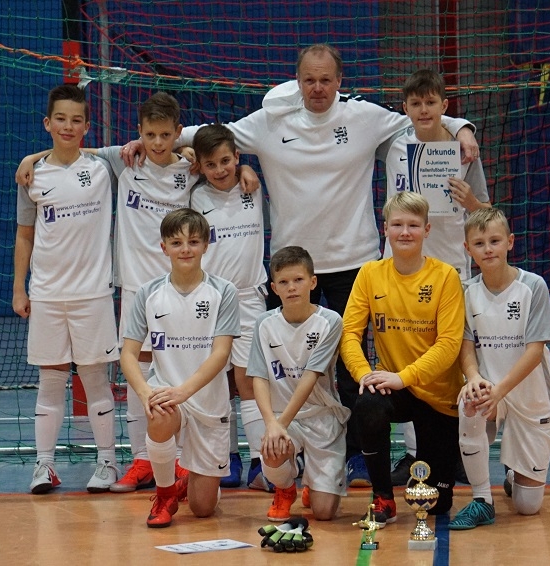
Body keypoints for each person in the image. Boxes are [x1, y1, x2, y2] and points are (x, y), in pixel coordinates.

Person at [122, 44, 479, 486]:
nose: (318, 88)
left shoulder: (364, 117)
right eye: (309, 80)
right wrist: (154, 142)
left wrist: (462, 127)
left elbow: (420, 117)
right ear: (297, 81)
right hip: (291, 268)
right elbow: (213, 135)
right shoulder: (269, 122)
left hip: (353, 263)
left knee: (349, 368)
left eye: (326, 80)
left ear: (339, 82)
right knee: (286, 368)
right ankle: (283, 454)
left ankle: (355, 456)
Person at [14, 95, 258, 493]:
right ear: (139, 133)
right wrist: (31, 157)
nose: (157, 143)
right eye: (150, 135)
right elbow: (76, 149)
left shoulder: (191, 171)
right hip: (134, 286)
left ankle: (181, 461)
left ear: (178, 133)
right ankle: (143, 459)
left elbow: (222, 172)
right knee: (139, 374)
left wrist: (244, 168)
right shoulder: (123, 161)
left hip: (180, 288)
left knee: (182, 371)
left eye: (165, 135)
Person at [381, 69, 491, 486]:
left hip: (451, 270)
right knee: (406, 358)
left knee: (455, 359)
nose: (423, 110)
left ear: (444, 106)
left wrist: (472, 201)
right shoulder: (393, 145)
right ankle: (414, 454)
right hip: (401, 270)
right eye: (416, 103)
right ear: (405, 108)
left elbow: (487, 214)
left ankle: (456, 449)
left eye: (431, 103)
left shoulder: (464, 153)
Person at [13, 84, 121, 494]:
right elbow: (25, 235)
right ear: (47, 122)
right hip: (46, 294)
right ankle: (44, 465)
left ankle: (107, 463)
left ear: (88, 127)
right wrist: (19, 289)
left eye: (77, 120)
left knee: (95, 381)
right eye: (60, 119)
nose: (68, 126)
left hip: (92, 294)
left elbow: (153, 145)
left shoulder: (104, 166)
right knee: (51, 381)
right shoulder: (32, 176)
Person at [340, 191, 465, 525]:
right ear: (385, 229)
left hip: (437, 395)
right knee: (368, 402)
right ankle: (382, 496)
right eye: (397, 225)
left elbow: (449, 344)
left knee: (435, 505)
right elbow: (349, 333)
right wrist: (363, 373)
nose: (405, 232)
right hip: (394, 387)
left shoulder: (445, 277)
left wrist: (403, 376)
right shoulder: (370, 274)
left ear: (427, 230)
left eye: (413, 225)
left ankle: (425, 478)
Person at [120, 208, 240, 528]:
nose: (185, 249)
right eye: (176, 242)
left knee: (202, 509)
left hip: (208, 401)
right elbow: (128, 354)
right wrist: (146, 393)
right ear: (164, 248)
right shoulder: (148, 293)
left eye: (193, 241)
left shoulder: (223, 292)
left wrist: (184, 391)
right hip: (166, 390)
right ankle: (165, 494)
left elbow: (221, 353)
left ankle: (192, 480)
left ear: (206, 245)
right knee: (159, 413)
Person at [449, 207, 550, 530]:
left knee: (527, 507)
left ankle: (514, 473)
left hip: (528, 394)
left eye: (495, 241)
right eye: (479, 243)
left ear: (510, 242)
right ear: (467, 249)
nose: (488, 249)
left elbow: (535, 351)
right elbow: (466, 346)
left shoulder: (533, 286)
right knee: (469, 404)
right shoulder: (466, 292)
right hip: (490, 388)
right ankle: (482, 500)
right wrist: (474, 378)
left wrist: (501, 391)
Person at [189, 124, 271, 490]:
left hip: (250, 298)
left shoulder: (253, 186)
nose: (220, 169)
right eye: (211, 164)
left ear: (237, 157)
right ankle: (225, 458)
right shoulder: (195, 197)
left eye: (226, 161)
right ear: (200, 166)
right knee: (217, 381)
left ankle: (260, 461)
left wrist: (247, 169)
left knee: (249, 379)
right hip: (210, 299)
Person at [248, 246, 349, 522]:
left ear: (313, 282)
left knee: (324, 513)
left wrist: (279, 425)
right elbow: (259, 376)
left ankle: (315, 486)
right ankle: (285, 488)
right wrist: (273, 423)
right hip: (283, 417)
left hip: (322, 416)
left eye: (298, 280)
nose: (291, 287)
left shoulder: (330, 321)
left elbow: (310, 376)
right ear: (274, 288)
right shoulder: (264, 323)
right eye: (283, 282)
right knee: (273, 449)